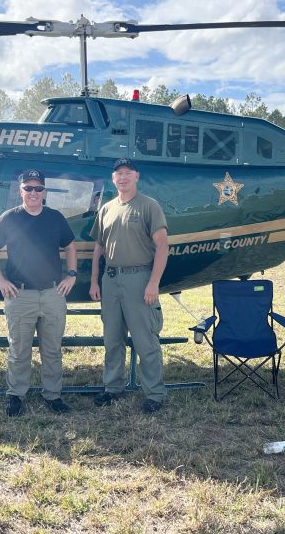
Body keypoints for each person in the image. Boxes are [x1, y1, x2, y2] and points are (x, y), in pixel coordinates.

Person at [0, 169, 78, 416]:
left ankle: (53, 395)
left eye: (38, 188)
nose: (33, 193)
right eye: (28, 188)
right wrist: (0, 280)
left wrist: (71, 274)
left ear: (44, 191)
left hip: (52, 294)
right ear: (21, 191)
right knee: (19, 350)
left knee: (52, 350)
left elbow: (70, 246)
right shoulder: (9, 218)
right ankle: (15, 395)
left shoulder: (55, 218)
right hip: (20, 295)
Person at [89, 157, 169, 413]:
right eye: (118, 173)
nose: (122, 177)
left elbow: (163, 246)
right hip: (111, 279)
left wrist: (153, 283)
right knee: (112, 338)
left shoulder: (148, 206)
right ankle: (112, 387)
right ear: (113, 179)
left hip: (139, 278)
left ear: (136, 176)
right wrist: (94, 280)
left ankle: (154, 393)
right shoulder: (107, 209)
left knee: (145, 340)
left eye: (127, 173)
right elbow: (98, 248)